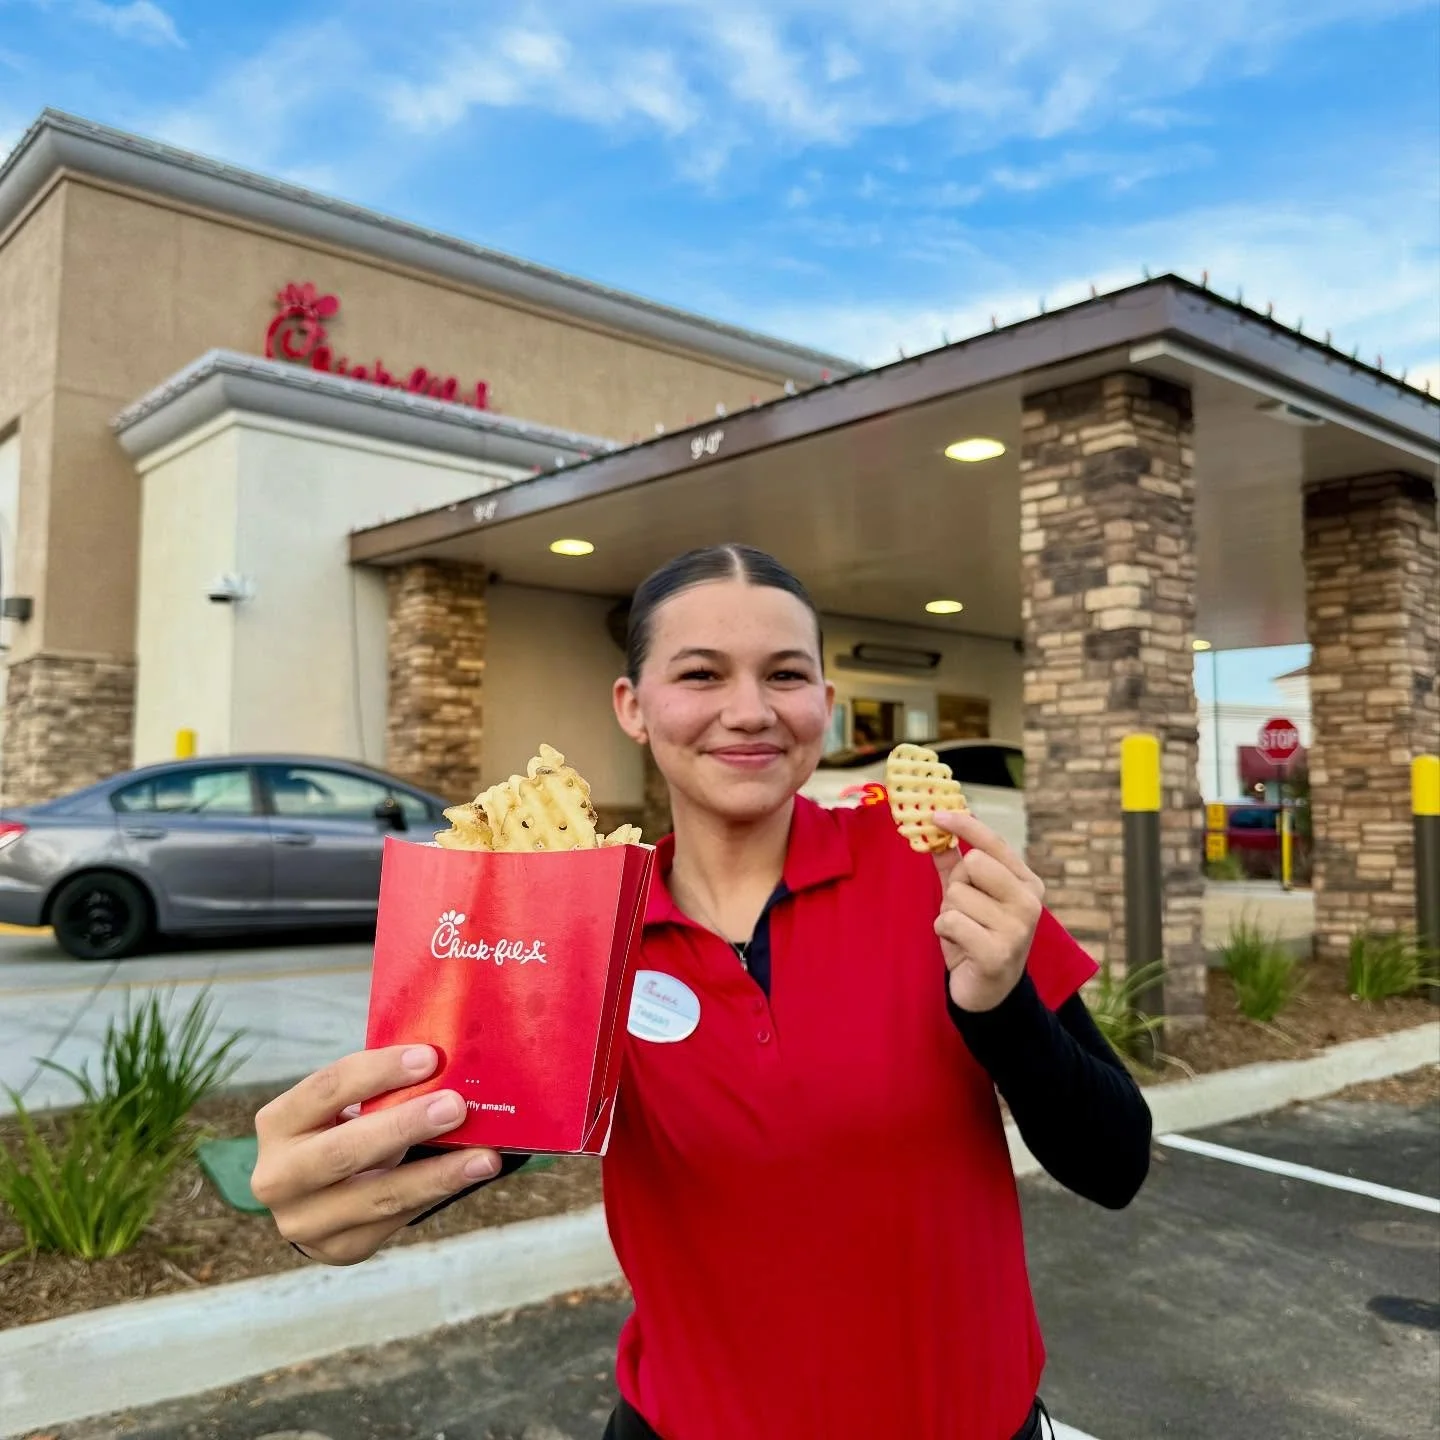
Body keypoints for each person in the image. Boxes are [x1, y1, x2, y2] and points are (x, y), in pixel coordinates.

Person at [253, 544, 1152, 1440]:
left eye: (786, 674)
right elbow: (444, 1142)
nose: (751, 711)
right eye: (701, 674)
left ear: (826, 708)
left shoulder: (937, 872)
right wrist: (326, 1193)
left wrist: (1002, 1007)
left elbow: (1114, 1164)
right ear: (633, 708)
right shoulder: (578, 930)